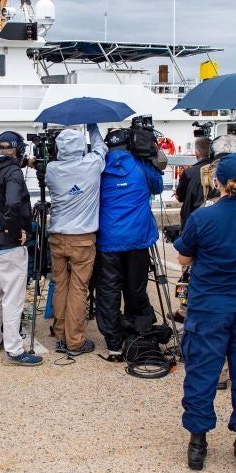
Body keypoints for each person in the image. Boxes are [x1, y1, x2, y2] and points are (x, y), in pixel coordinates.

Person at [174, 154, 236, 473]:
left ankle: (198, 443)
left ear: (215, 181)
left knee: (202, 373)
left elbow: (184, 259)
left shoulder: (204, 218)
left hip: (210, 306)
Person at [95, 128, 163, 356]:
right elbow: (159, 186)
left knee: (108, 290)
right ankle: (137, 331)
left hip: (108, 239)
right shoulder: (141, 166)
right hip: (138, 238)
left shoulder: (99, 167)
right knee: (135, 287)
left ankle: (113, 341)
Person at [0, 132, 41, 365]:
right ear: (18, 150)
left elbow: (4, 171)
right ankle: (14, 350)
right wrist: (17, 232)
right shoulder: (14, 172)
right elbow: (14, 203)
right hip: (9, 243)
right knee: (13, 298)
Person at [46, 123, 107, 356]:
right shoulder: (91, 165)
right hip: (82, 238)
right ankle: (75, 340)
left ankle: (61, 334)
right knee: (79, 289)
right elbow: (101, 147)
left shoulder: (52, 168)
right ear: (81, 147)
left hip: (58, 238)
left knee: (61, 285)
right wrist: (92, 126)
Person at [173, 137, 211, 225]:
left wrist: (178, 193)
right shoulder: (220, 170)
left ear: (197, 153)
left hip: (194, 220)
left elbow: (181, 197)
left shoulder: (188, 173)